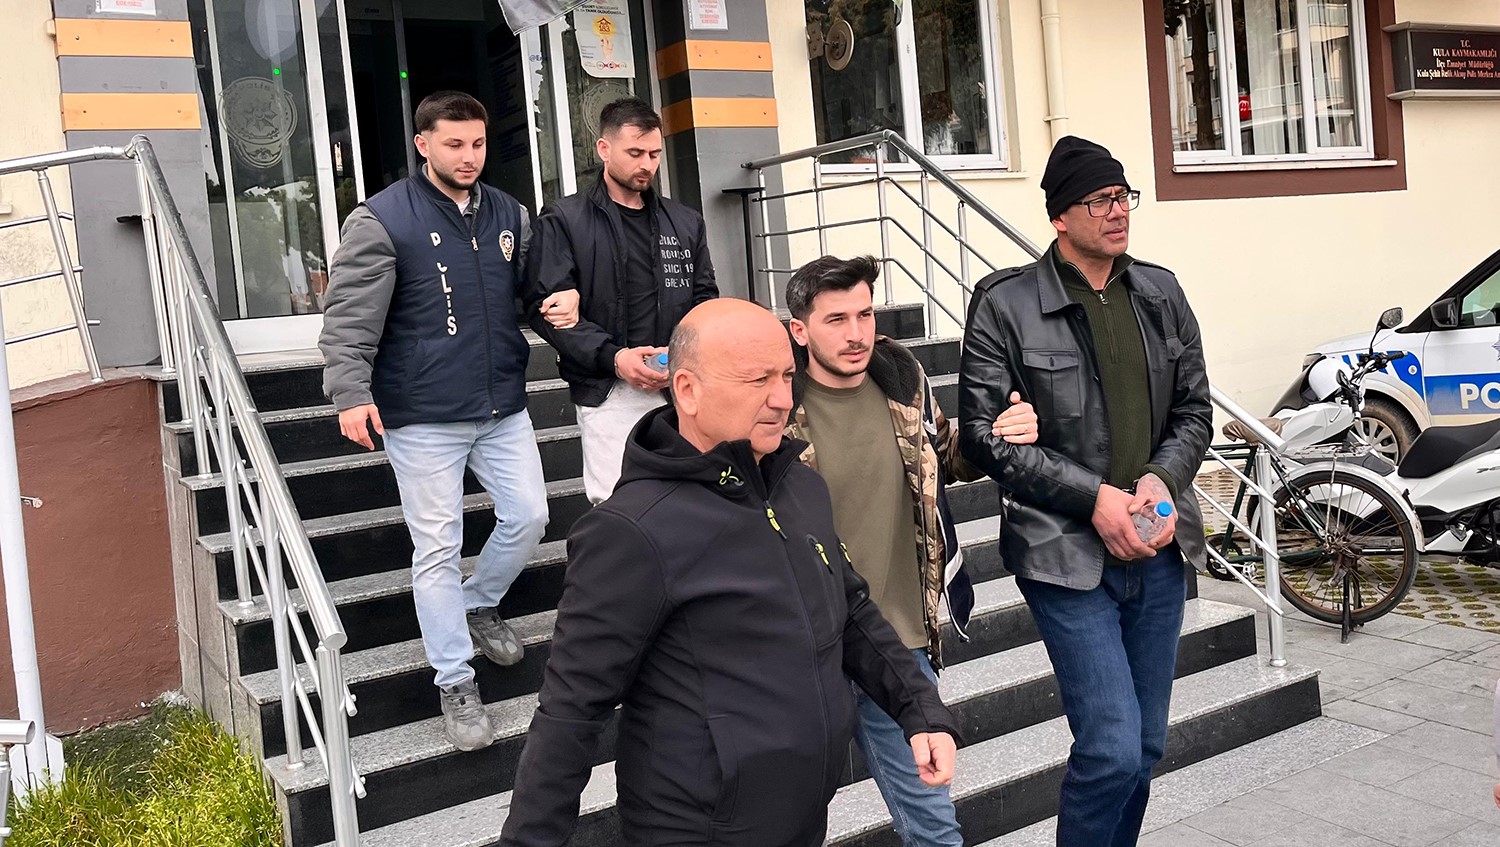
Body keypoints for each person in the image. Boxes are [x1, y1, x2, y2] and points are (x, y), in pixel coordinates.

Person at [500, 299, 961, 847]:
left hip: (803, 815)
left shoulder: (799, 485)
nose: (782, 398)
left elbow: (852, 609)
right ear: (688, 390)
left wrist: (920, 708)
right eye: (757, 380)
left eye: (786, 376)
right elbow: (572, 710)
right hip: (699, 830)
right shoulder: (632, 530)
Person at [957, 136, 1213, 847]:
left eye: (1124, 197)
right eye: (1100, 200)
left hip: (1156, 549)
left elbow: (1195, 410)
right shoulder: (1005, 304)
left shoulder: (1160, 292)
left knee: (1145, 747)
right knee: (1110, 748)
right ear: (1060, 217)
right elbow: (981, 436)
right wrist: (1096, 498)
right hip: (1063, 555)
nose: (1118, 211)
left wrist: (1161, 481)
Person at [318, 91, 548, 753]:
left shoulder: (508, 213)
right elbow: (348, 318)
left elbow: (529, 291)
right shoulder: (382, 219)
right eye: (454, 144)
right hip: (420, 414)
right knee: (437, 549)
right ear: (423, 144)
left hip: (500, 405)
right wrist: (349, 393)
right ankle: (455, 679)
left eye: (477, 144)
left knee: (530, 515)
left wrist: (558, 302)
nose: (469, 156)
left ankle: (478, 602)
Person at [783, 254, 1038, 846]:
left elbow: (950, 458)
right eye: (836, 319)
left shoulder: (902, 378)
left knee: (934, 826)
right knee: (782, 822)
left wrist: (999, 435)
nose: (856, 334)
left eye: (865, 315)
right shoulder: (775, 402)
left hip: (899, 644)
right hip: (804, 647)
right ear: (799, 330)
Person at [523, 96, 717, 504]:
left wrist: (683, 357)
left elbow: (705, 300)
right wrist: (615, 358)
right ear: (604, 149)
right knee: (619, 505)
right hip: (609, 388)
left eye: (654, 154)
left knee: (692, 501)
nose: (647, 164)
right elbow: (547, 310)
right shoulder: (563, 219)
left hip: (679, 382)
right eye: (635, 153)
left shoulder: (685, 222)